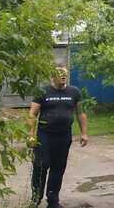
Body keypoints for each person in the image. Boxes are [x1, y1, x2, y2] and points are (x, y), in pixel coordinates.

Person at [28, 66, 89, 208]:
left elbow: (80, 113)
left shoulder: (74, 92)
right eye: (60, 74)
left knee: (58, 167)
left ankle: (53, 200)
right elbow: (32, 114)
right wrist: (31, 135)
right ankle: (36, 199)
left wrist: (84, 133)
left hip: (64, 136)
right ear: (52, 76)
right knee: (41, 165)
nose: (63, 76)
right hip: (44, 135)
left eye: (65, 74)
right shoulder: (43, 91)